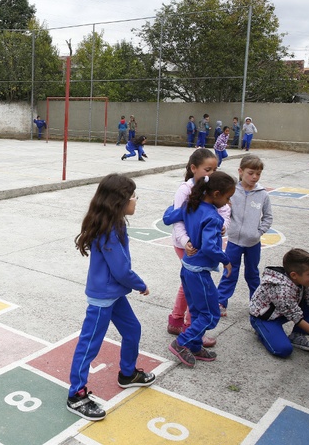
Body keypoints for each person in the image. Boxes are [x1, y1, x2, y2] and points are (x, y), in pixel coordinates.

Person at [66, 174, 155, 421]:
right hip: (103, 298)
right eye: (133, 196)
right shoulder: (108, 231)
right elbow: (121, 270)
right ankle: (76, 395)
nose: (136, 200)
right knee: (89, 345)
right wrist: (140, 284)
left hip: (114, 294)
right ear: (120, 201)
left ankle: (127, 374)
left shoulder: (116, 224)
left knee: (132, 329)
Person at [163, 171, 235, 367]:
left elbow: (168, 217)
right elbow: (210, 247)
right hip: (199, 272)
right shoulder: (213, 217)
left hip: (187, 269)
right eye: (227, 198)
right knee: (211, 314)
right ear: (216, 194)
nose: (228, 203)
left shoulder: (189, 206)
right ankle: (182, 342)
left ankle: (194, 345)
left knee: (196, 311)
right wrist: (225, 260)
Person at [249, 249, 309, 358]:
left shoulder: (301, 281)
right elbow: (296, 317)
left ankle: (297, 335)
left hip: (282, 312)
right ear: (294, 275)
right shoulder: (282, 290)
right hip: (264, 318)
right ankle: (262, 331)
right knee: (283, 350)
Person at [216, 155, 273, 316]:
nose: (254, 177)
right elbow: (224, 211)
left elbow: (268, 217)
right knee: (229, 272)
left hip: (253, 243)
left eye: (258, 174)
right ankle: (221, 302)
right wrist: (226, 226)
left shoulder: (263, 194)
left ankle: (257, 303)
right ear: (240, 171)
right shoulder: (233, 191)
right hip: (234, 241)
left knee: (252, 274)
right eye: (250, 173)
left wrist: (258, 232)